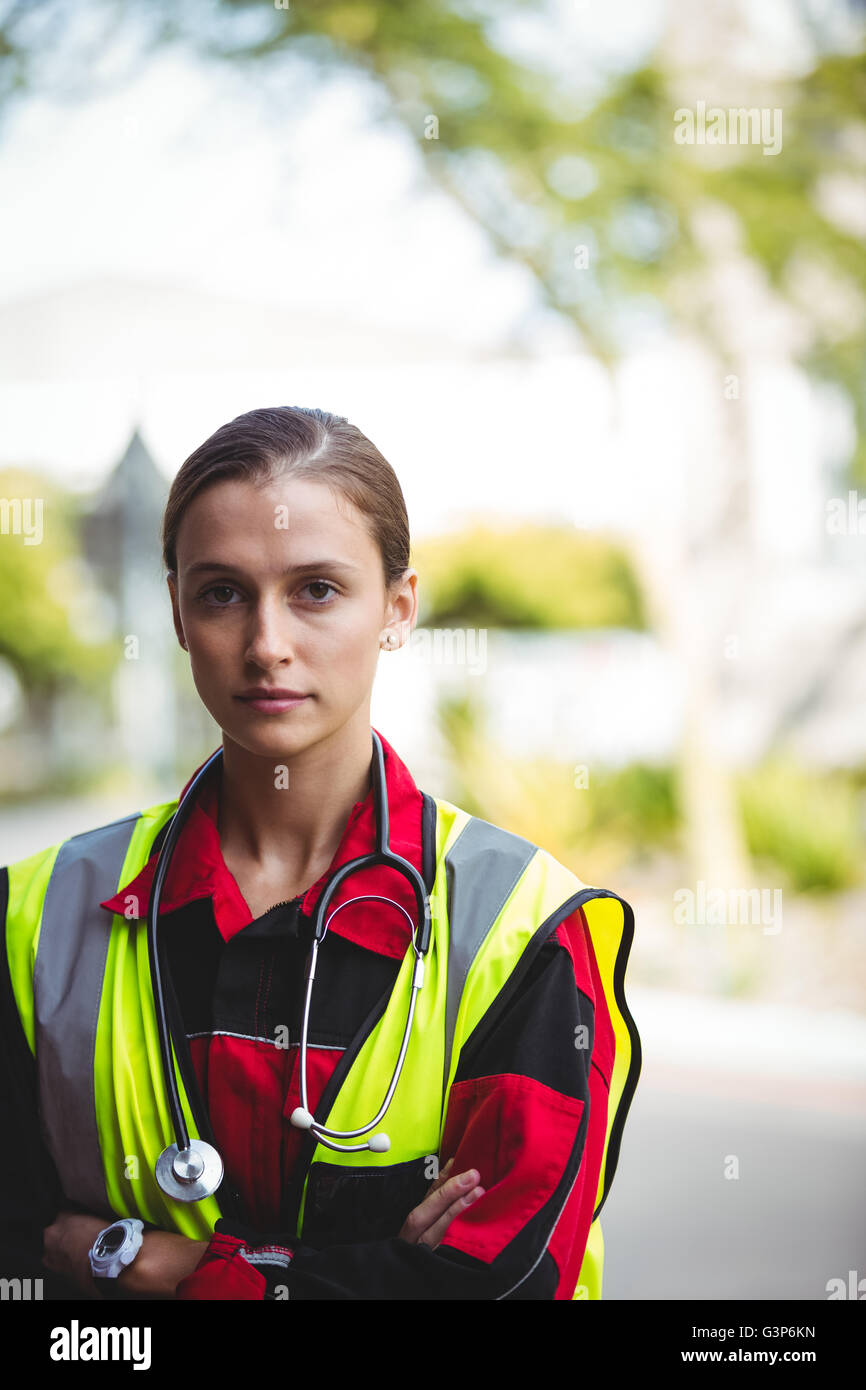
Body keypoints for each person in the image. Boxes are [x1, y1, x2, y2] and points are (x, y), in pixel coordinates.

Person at [0, 405, 641, 1300]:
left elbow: (504, 1284)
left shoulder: (524, 928)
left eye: (317, 591)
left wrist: (177, 1268)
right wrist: (367, 1270)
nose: (267, 645)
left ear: (399, 608)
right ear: (179, 614)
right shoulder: (32, 915)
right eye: (222, 592)